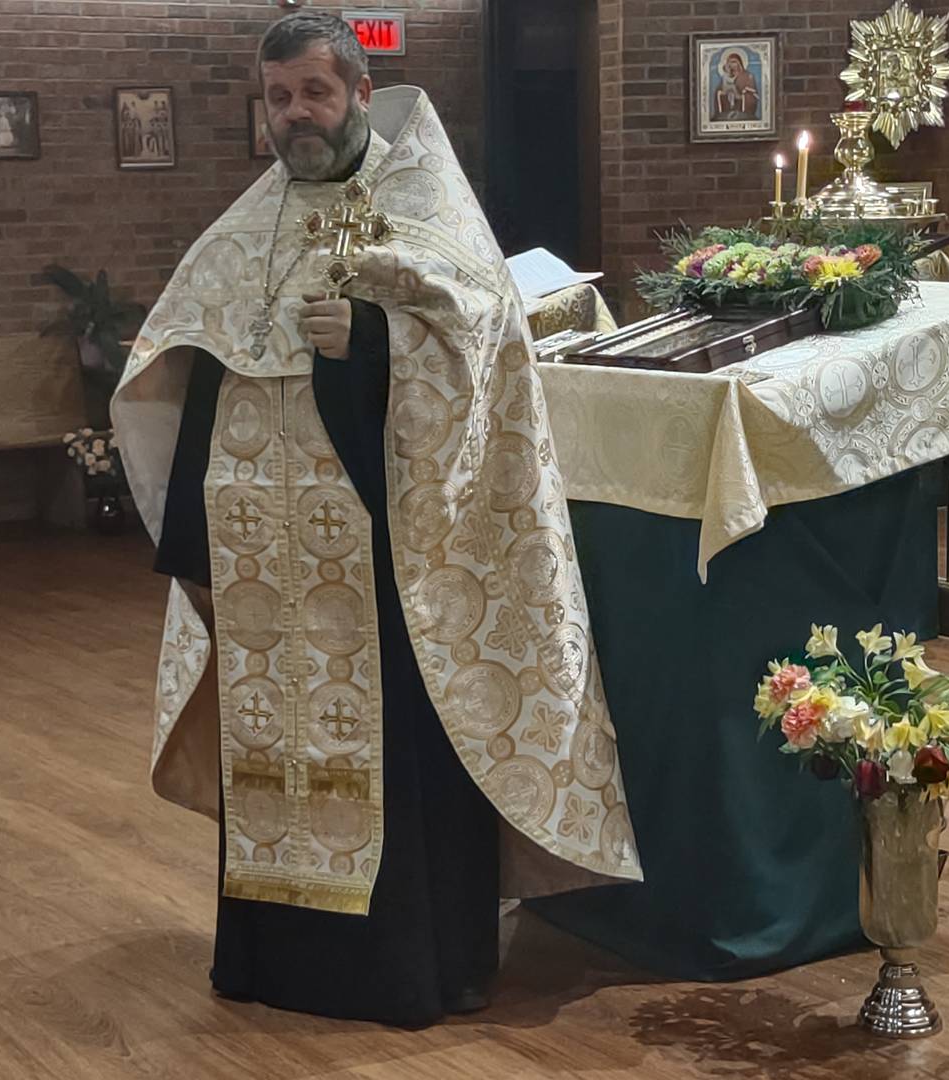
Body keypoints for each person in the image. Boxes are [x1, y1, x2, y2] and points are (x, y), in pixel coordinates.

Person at [111, 11, 641, 1029]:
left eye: (314, 93)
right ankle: (278, 962)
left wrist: (372, 337)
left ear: (358, 90)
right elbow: (193, 363)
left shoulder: (423, 204)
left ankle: (410, 965)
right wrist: (195, 538)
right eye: (277, 98)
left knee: (399, 753)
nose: (295, 116)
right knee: (275, 745)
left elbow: (482, 344)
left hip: (395, 550)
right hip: (269, 563)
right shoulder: (245, 226)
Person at [712, 51, 759, 122]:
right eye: (730, 62)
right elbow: (719, 90)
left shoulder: (748, 76)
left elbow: (753, 93)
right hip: (728, 106)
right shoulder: (726, 75)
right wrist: (722, 92)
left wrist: (740, 94)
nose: (732, 64)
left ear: (739, 63)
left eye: (734, 62)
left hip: (742, 105)